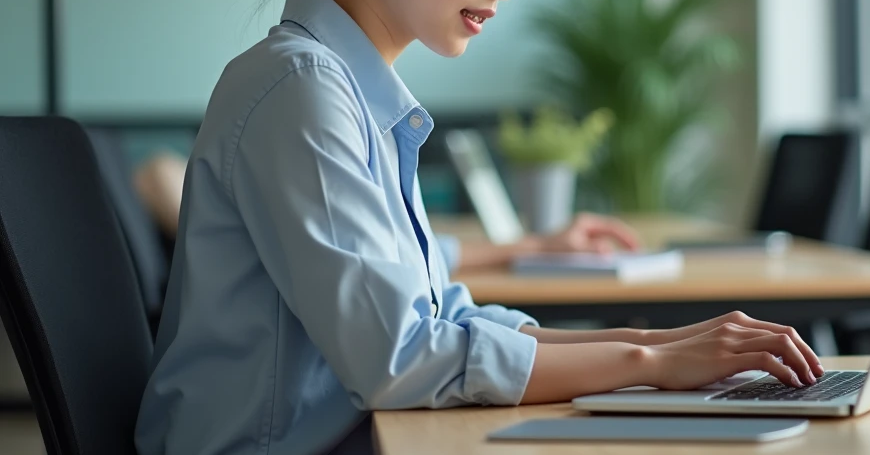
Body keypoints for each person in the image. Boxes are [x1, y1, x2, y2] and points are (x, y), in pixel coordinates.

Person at [134, 0, 822, 455]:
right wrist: (650, 361)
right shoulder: (299, 91)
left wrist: (665, 345)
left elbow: (445, 320)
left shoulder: (344, 92)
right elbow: (403, 360)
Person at [132, 150, 642, 270]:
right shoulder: (306, 98)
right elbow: (405, 351)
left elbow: (407, 256)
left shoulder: (363, 101)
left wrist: (641, 351)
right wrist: (639, 357)